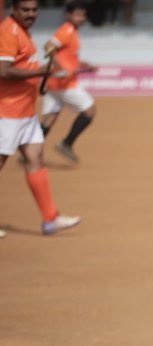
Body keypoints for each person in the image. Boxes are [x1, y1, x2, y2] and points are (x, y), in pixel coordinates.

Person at [0, 0, 81, 238]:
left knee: (36, 159)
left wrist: (40, 76)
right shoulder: (9, 31)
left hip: (24, 113)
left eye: (34, 10)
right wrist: (40, 72)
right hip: (7, 114)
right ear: (13, 9)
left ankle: (50, 219)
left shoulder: (23, 32)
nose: (31, 14)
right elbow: (3, 71)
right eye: (25, 10)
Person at [40, 0, 98, 163]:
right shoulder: (66, 31)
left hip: (54, 84)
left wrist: (85, 65)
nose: (82, 18)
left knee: (50, 119)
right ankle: (67, 143)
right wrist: (58, 66)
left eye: (83, 15)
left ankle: (28, 151)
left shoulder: (72, 31)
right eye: (78, 15)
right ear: (68, 15)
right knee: (90, 110)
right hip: (64, 84)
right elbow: (48, 46)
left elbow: (68, 58)